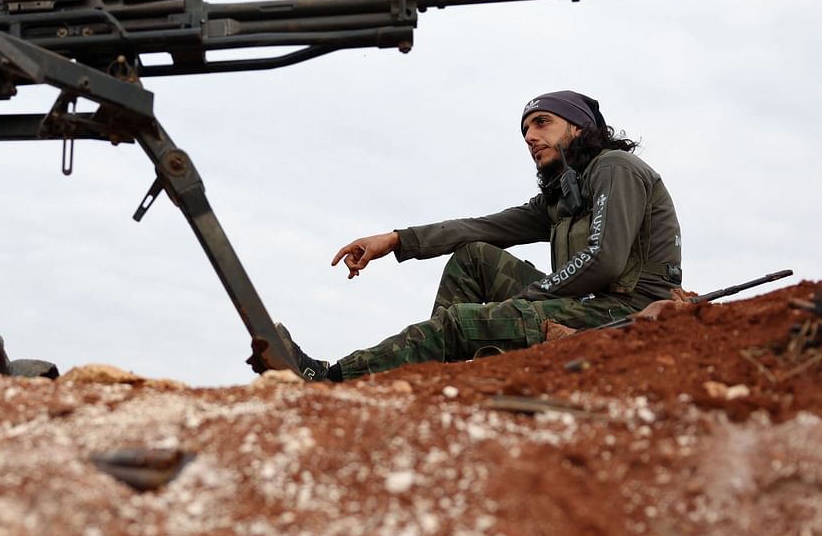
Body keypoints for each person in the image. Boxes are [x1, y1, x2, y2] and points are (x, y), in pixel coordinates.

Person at [279, 90, 683, 382]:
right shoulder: (560, 199)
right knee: (473, 256)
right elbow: (481, 228)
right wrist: (397, 239)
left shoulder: (615, 167)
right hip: (583, 302)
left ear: (578, 129)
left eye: (543, 123)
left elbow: (604, 259)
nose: (530, 136)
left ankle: (330, 378)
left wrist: (526, 299)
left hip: (624, 309)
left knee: (465, 322)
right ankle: (434, 376)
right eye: (526, 129)